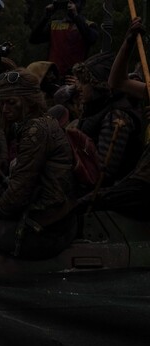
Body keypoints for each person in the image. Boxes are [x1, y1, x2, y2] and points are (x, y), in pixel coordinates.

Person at [0, 68, 77, 259]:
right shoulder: (41, 123)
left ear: (28, 101)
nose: (6, 109)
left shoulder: (36, 130)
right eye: (3, 103)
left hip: (46, 228)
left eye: (12, 103)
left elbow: (20, 188)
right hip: (52, 219)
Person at [77, 16, 150, 220]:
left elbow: (105, 170)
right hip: (139, 180)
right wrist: (128, 43)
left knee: (81, 205)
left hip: (143, 187)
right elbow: (117, 81)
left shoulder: (118, 116)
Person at [72, 51, 142, 187]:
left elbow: (104, 172)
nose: (78, 87)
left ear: (99, 86)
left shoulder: (116, 116)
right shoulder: (97, 108)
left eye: (84, 82)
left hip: (109, 194)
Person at [29, 0, 98, 77]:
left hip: (75, 77)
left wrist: (76, 16)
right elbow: (33, 39)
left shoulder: (89, 25)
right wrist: (46, 16)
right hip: (53, 76)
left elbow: (91, 39)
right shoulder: (54, 25)